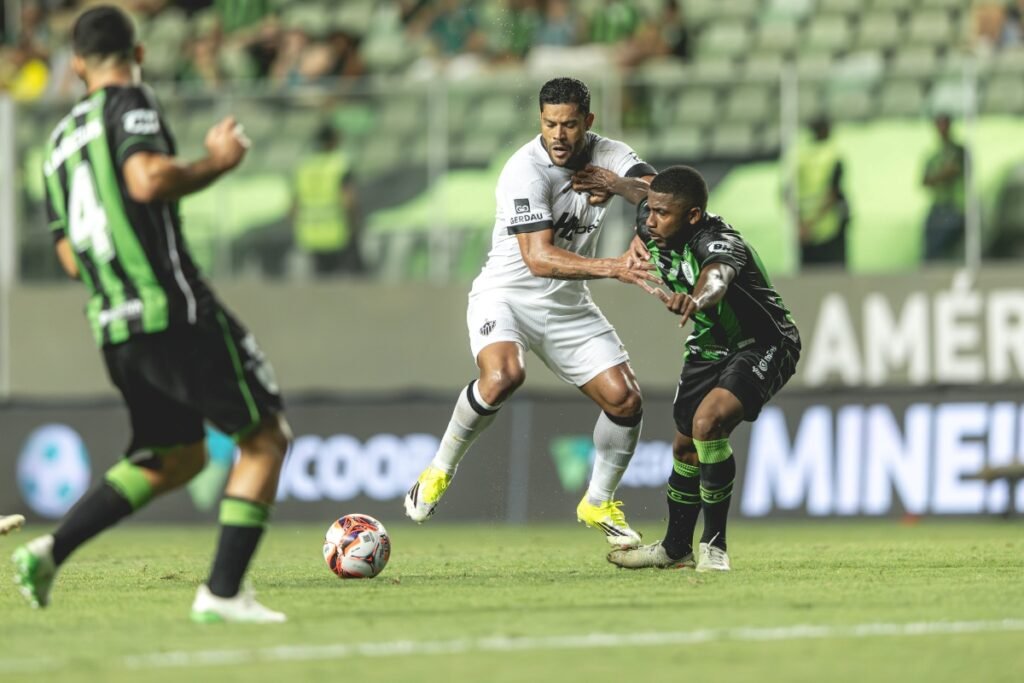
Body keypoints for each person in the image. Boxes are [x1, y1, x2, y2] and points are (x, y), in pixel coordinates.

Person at [11, 5, 291, 624]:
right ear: (138, 54)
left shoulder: (54, 147)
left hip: (115, 326)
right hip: (173, 310)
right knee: (265, 438)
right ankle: (222, 594)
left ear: (76, 65)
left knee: (176, 456)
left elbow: (69, 257)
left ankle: (52, 551)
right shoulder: (130, 101)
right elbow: (145, 178)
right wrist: (218, 161)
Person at [403, 77, 658, 547]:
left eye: (569, 125)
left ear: (588, 122)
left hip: (567, 306)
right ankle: (439, 469)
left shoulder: (610, 154)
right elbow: (538, 259)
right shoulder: (524, 170)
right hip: (507, 296)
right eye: (549, 123)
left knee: (626, 401)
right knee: (504, 376)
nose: (558, 135)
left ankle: (598, 502)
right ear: (540, 120)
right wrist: (614, 266)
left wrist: (621, 189)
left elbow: (663, 195)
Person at [607, 165, 801, 572]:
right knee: (684, 447)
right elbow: (639, 192)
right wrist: (610, 183)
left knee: (707, 424)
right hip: (709, 346)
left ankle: (715, 546)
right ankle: (676, 549)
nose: (651, 221)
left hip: (763, 343)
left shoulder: (719, 241)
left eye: (663, 213)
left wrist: (696, 300)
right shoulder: (653, 220)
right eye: (651, 211)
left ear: (693, 215)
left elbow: (717, 277)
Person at [292, 124, 364, 276]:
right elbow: (348, 199)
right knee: (343, 281)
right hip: (337, 231)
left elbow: (295, 204)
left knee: (320, 280)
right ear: (333, 141)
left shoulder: (305, 165)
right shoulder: (340, 163)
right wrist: (355, 222)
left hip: (310, 232)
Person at [786, 116, 849, 268]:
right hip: (829, 227)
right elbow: (833, 193)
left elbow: (786, 193)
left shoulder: (799, 156)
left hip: (804, 228)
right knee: (832, 275)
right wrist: (811, 224)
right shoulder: (834, 155)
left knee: (808, 275)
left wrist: (800, 224)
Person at [922, 114, 968, 262]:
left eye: (944, 125)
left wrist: (939, 176)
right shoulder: (934, 155)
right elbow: (925, 181)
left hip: (955, 206)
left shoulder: (958, 151)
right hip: (939, 205)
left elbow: (952, 172)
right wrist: (941, 175)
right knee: (931, 246)